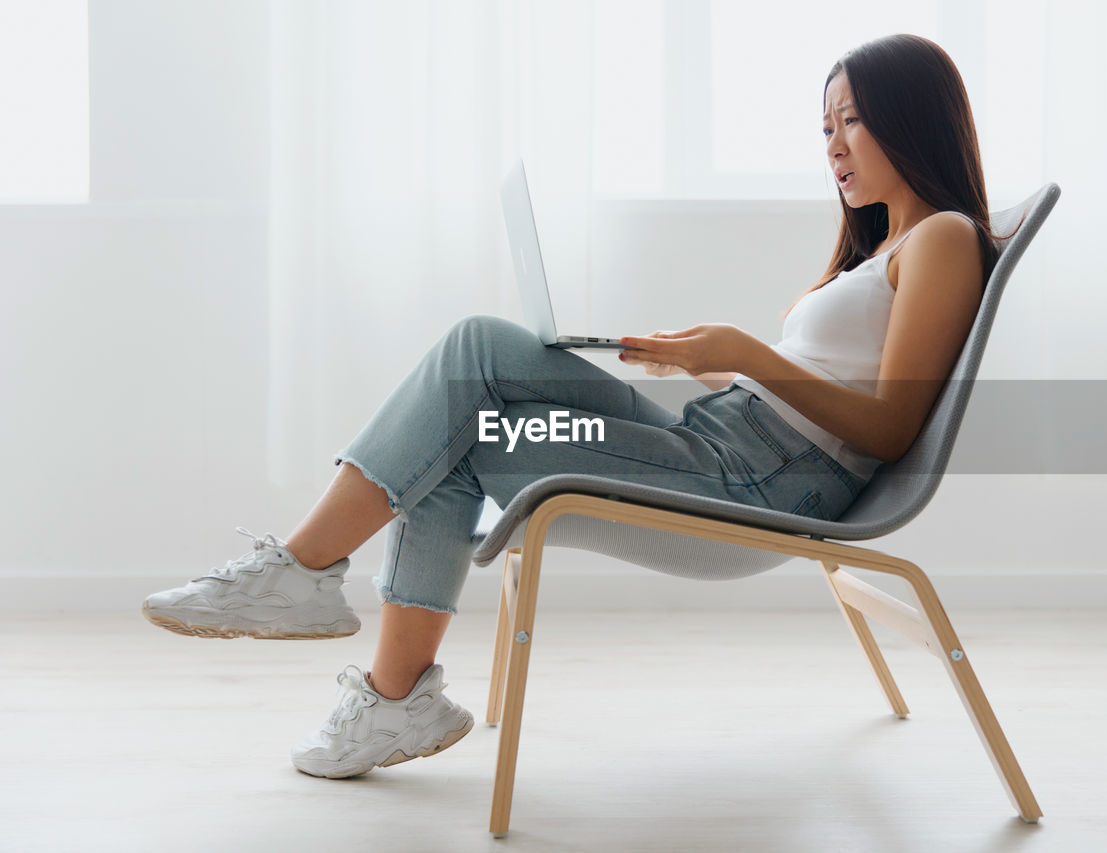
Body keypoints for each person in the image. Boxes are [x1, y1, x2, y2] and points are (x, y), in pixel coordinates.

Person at [141, 33, 1002, 781]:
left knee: (462, 434)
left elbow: (891, 427)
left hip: (764, 482)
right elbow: (827, 387)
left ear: (910, 115)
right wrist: (711, 364)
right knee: (476, 351)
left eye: (850, 120)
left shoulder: (944, 238)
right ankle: (332, 617)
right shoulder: (882, 247)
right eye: (825, 128)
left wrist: (748, 354)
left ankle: (348, 639)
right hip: (729, 440)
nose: (834, 146)